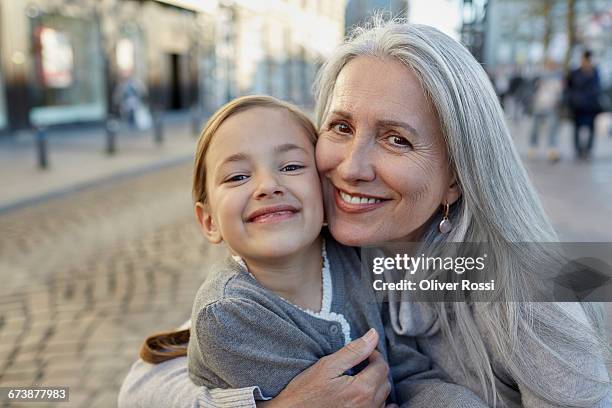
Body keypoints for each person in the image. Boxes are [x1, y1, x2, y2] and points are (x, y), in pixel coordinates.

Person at [119, 20, 610, 408]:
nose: (351, 168)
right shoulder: (328, 244)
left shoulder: (520, 286)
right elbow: (144, 384)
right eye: (341, 126)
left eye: (397, 139)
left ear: (458, 176)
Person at [186, 94, 420, 402]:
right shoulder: (226, 316)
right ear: (209, 222)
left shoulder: (357, 256)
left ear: (326, 186)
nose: (268, 185)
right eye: (238, 176)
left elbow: (410, 370)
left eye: (292, 166)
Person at [567, 50, 603, 160]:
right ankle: (578, 150)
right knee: (576, 127)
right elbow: (570, 86)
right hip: (577, 105)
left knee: (591, 128)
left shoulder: (595, 72)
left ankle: (588, 149)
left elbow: (597, 88)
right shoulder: (575, 72)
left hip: (590, 106)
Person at [528, 59, 563, 163]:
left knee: (552, 128)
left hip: (551, 106)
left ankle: (552, 150)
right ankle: (533, 148)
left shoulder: (559, 77)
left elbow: (560, 93)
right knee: (535, 128)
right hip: (539, 105)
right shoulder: (540, 76)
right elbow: (533, 90)